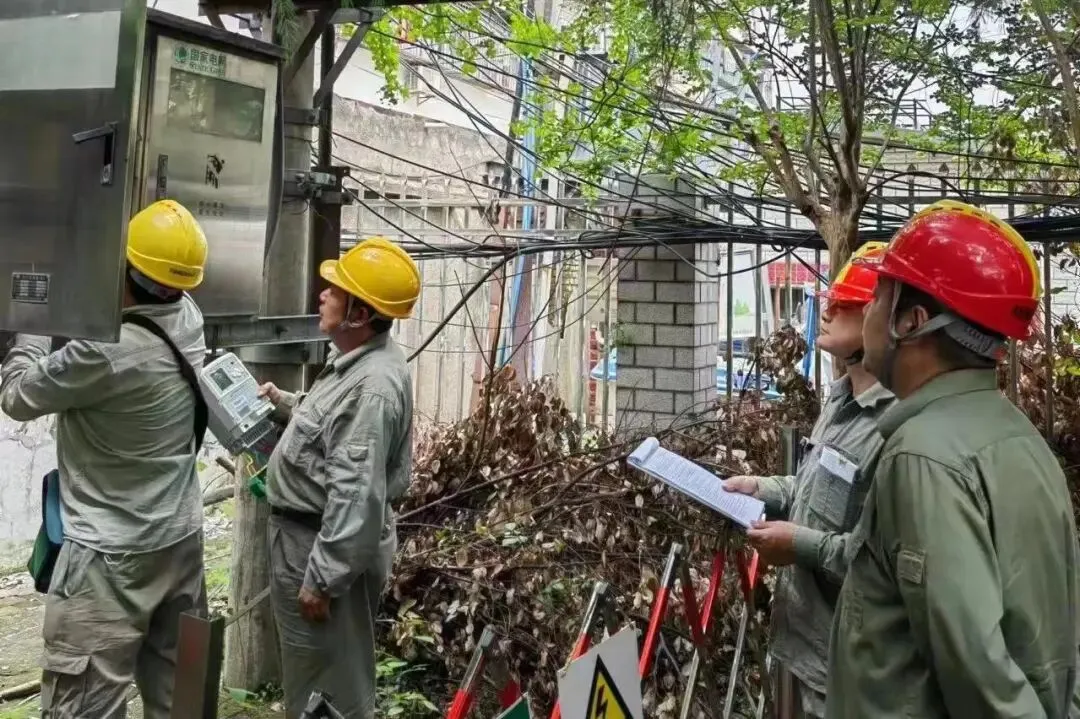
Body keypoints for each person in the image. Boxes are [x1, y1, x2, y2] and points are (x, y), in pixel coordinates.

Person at [827, 200, 1080, 718]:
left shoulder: (922, 458)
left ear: (911, 322)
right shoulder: (1014, 435)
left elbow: (981, 680)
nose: (868, 312)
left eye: (878, 297)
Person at [0, 200, 210, 718]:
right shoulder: (189, 317)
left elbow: (18, 396)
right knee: (183, 699)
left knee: (84, 702)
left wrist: (33, 324)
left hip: (109, 559)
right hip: (179, 541)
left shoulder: (101, 354)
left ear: (125, 270)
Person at [721, 242, 896, 719]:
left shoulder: (894, 427)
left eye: (844, 304)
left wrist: (799, 545)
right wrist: (760, 488)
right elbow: (813, 489)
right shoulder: (840, 400)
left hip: (850, 669)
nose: (827, 311)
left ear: (883, 320)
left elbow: (882, 562)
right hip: (805, 646)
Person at [259, 236, 419, 718]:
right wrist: (286, 406)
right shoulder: (358, 362)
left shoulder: (371, 388)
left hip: (320, 548)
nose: (323, 294)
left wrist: (323, 580)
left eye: (336, 290)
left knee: (326, 690)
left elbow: (356, 494)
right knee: (315, 675)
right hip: (308, 541)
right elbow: (331, 429)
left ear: (360, 314)